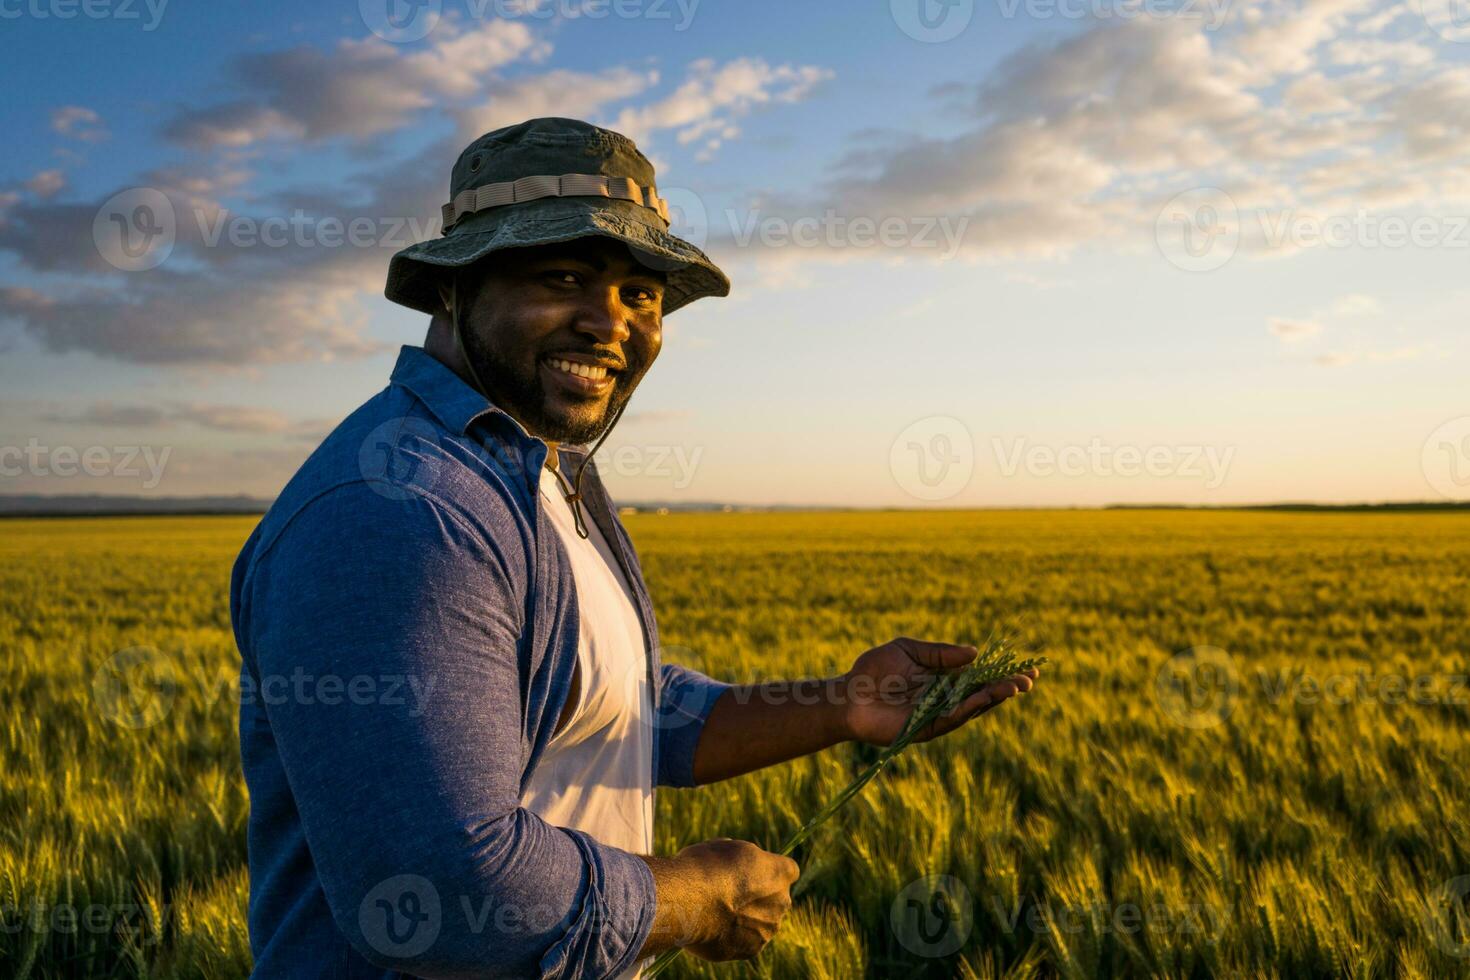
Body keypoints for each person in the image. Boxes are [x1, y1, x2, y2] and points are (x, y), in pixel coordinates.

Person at [229, 116, 1038, 979]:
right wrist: (693, 896)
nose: (608, 323)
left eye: (640, 294)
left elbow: (620, 709)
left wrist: (846, 702)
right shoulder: (400, 510)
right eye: (564, 276)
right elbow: (436, 893)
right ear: (452, 290)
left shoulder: (543, 472)